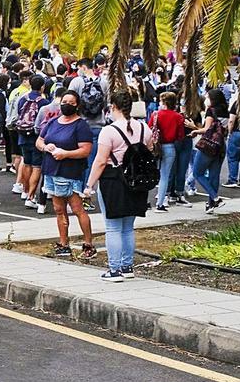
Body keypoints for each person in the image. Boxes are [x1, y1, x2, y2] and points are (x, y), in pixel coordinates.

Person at [85, 90, 149, 282]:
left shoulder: (109, 131)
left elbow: (100, 161)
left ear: (113, 107)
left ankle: (114, 269)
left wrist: (89, 185)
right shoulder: (144, 127)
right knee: (128, 226)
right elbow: (150, 149)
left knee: (112, 226)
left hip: (114, 178)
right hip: (137, 179)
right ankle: (127, 266)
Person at [37, 90, 95, 259]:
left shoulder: (81, 125)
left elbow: (86, 150)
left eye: (71, 102)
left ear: (77, 105)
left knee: (77, 208)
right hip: (51, 170)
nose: (66, 105)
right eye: (64, 101)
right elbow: (40, 140)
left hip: (70, 172)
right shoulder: (53, 121)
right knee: (58, 209)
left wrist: (66, 154)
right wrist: (45, 147)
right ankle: (63, 243)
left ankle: (88, 244)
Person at [190, 88, 230, 213]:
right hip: (221, 145)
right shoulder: (225, 111)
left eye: (208, 97)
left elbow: (206, 129)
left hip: (208, 145)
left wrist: (195, 129)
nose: (206, 99)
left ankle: (215, 198)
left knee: (198, 173)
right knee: (214, 175)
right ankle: (210, 204)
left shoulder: (210, 111)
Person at [149, 91, 186, 212]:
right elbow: (180, 136)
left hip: (156, 146)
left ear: (163, 102)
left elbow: (150, 129)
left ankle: (146, 201)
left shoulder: (156, 114)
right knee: (165, 176)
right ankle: (160, 203)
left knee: (151, 173)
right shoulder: (178, 117)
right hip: (170, 146)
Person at [15, 75, 47, 209]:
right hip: (36, 136)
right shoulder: (43, 102)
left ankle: (25, 190)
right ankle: (31, 196)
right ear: (42, 87)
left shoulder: (23, 99)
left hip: (22, 135)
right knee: (37, 166)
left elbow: (18, 114)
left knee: (27, 163)